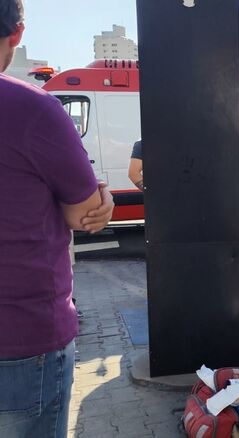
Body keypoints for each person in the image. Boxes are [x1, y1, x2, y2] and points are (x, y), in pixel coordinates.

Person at [1, 2, 115, 436]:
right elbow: (85, 212)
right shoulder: (31, 108)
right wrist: (100, 194)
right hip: (21, 339)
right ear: (17, 33)